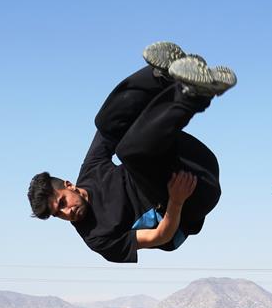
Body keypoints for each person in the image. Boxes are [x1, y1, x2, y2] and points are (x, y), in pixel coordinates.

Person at [28, 42, 236, 263]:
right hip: (191, 198)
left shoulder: (91, 171)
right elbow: (160, 236)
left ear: (69, 185)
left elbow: (108, 130)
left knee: (105, 123)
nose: (67, 213)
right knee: (128, 151)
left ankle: (165, 76)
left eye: (62, 203)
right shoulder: (96, 237)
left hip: (192, 161)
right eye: (58, 214)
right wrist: (176, 201)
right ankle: (194, 93)